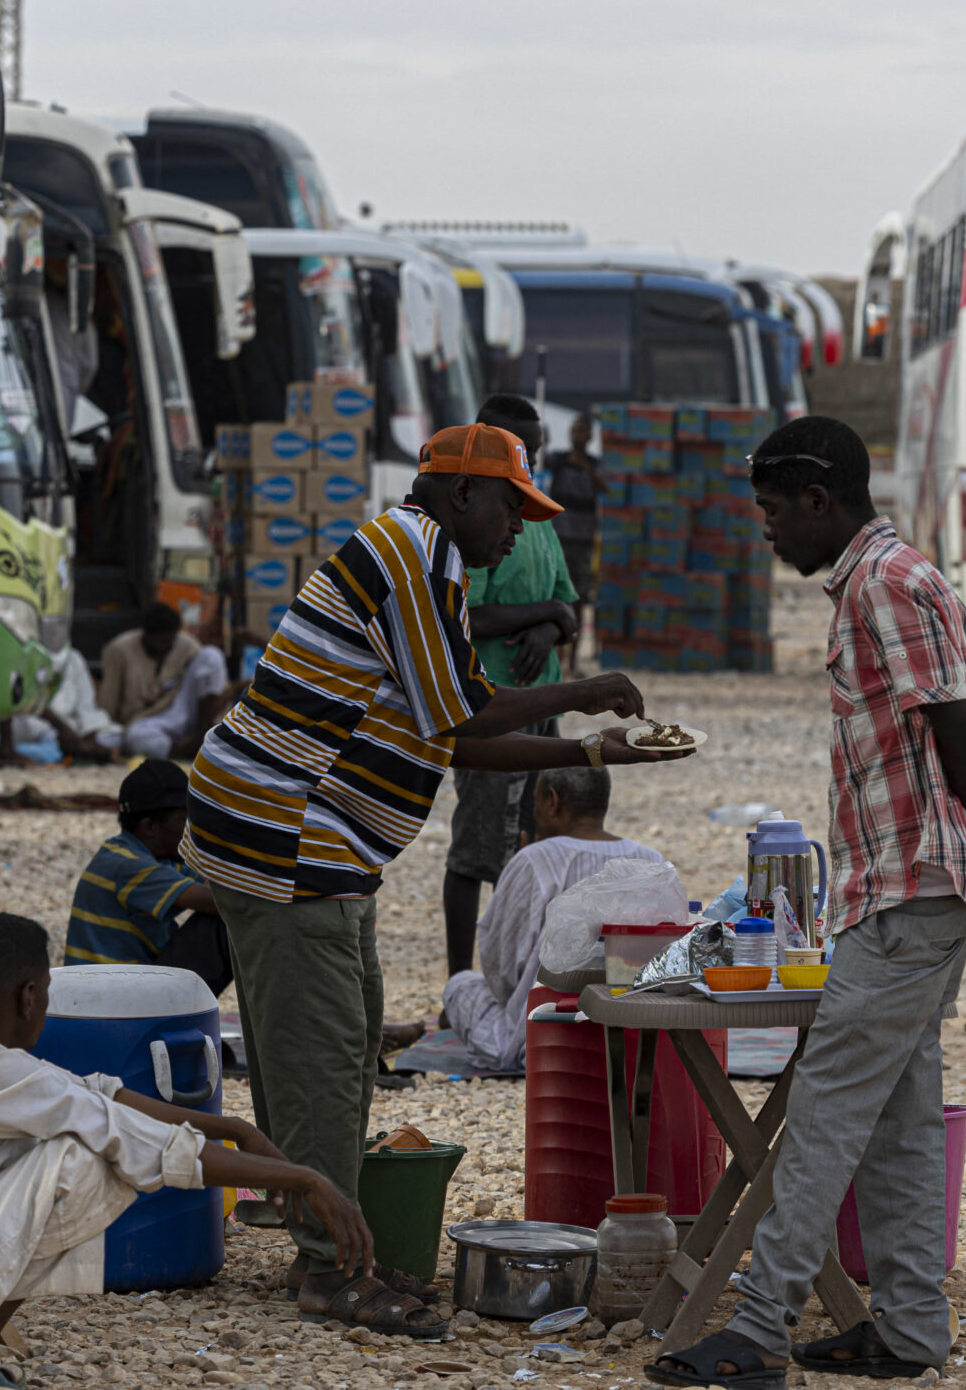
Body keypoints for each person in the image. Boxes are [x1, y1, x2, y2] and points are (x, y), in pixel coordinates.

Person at [182, 421, 695, 1335]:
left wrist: (591, 747)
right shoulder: (413, 550)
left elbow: (450, 730)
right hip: (287, 825)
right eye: (511, 508)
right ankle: (326, 1269)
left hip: (304, 831)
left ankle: (335, 1244)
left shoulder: (431, 569)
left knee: (333, 1039)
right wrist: (583, 695)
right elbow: (464, 716)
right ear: (461, 494)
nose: (519, 531)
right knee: (325, 1045)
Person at [649, 416, 966, 1390]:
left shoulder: (884, 586)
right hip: (914, 886)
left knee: (823, 1110)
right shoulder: (904, 578)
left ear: (819, 499)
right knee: (900, 1117)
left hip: (908, 886)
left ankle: (759, 1328)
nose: (767, 531)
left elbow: (962, 725)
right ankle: (907, 1327)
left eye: (774, 512)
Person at [0, 913, 370, 1390]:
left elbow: (91, 1093)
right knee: (87, 1159)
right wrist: (306, 1179)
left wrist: (235, 1130)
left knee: (87, 1131)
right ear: (30, 997)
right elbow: (128, 1136)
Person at [443, 394, 580, 978]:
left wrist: (548, 627)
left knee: (534, 846)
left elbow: (569, 608)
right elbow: (460, 612)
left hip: (542, 699)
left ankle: (517, 976)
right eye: (521, 451)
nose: (531, 461)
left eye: (537, 451)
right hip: (492, 706)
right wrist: (543, 613)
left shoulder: (535, 518)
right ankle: (459, 982)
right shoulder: (478, 519)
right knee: (477, 850)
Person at [440, 764, 663, 1074]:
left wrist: (519, 866)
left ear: (552, 801)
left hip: (539, 1030)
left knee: (459, 985)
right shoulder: (652, 860)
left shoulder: (535, 859)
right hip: (634, 1023)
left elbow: (500, 965)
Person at [64, 759, 237, 993]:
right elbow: (222, 902)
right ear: (149, 827)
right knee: (230, 920)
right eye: (184, 820)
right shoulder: (127, 866)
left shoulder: (151, 856)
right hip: (116, 1000)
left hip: (118, 990)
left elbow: (214, 879)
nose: (192, 828)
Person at [97, 602, 229, 761]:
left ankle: (203, 737)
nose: (168, 644)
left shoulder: (186, 644)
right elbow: (108, 702)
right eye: (162, 640)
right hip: (145, 722)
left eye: (171, 638)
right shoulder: (119, 650)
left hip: (181, 711)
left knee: (211, 655)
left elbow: (210, 682)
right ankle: (186, 750)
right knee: (134, 738)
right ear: (146, 635)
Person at [547, 412, 603, 645]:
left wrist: (587, 470)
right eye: (575, 430)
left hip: (583, 541)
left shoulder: (595, 464)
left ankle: (574, 653)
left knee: (579, 597)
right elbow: (539, 462)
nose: (578, 435)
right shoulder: (558, 460)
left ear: (590, 435)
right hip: (559, 539)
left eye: (583, 430)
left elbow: (605, 487)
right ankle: (560, 651)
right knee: (558, 596)